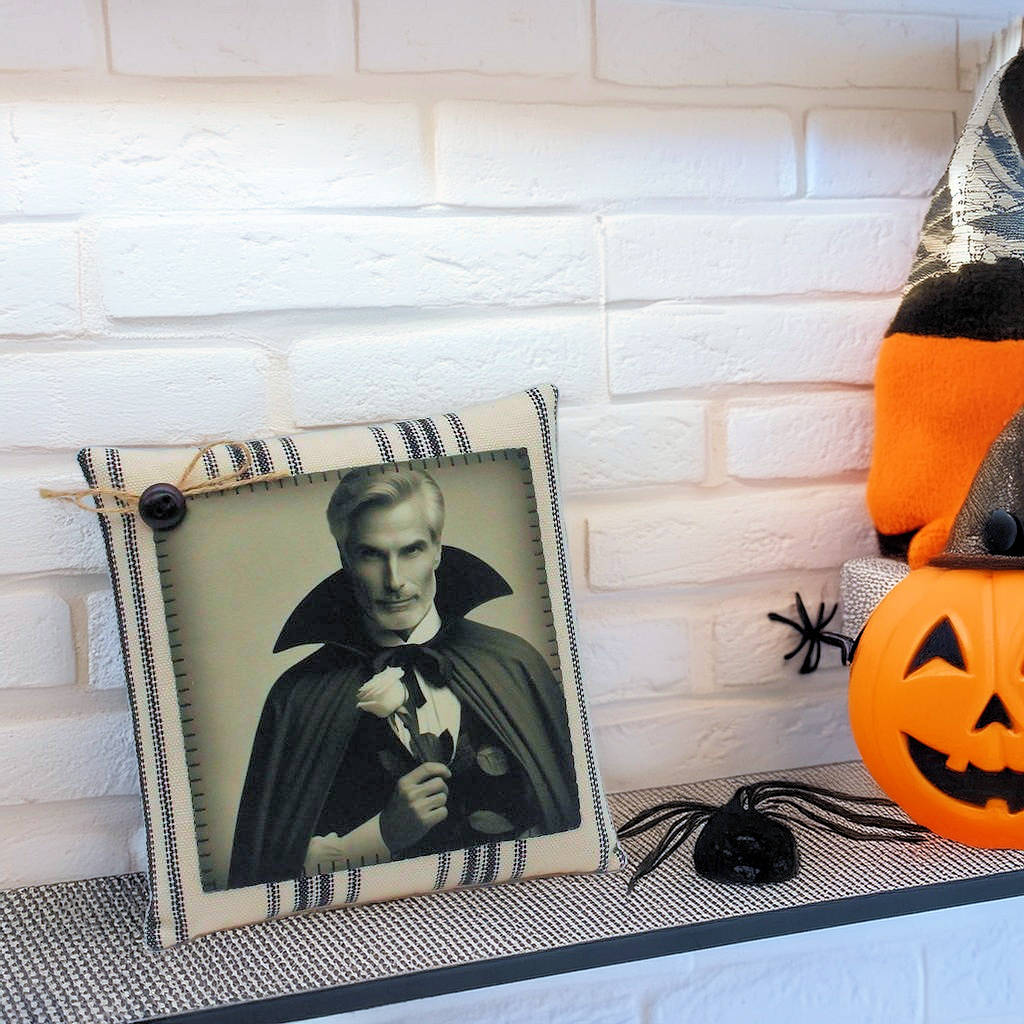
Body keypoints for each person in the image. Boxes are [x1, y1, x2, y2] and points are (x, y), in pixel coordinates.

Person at [228, 467, 580, 888]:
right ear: (344, 557)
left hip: (516, 903)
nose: (395, 581)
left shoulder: (514, 665)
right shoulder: (300, 697)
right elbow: (269, 875)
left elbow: (564, 815)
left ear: (437, 551)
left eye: (411, 550)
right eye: (371, 554)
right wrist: (380, 834)